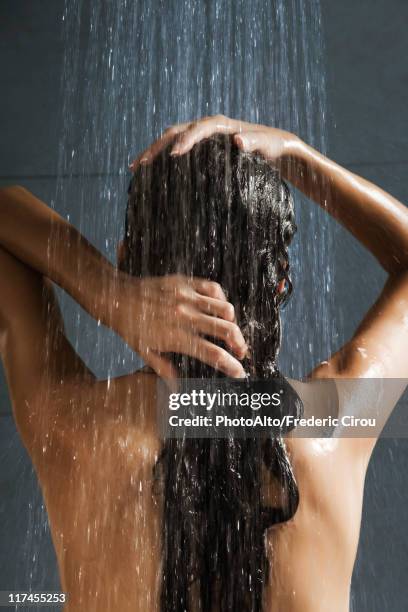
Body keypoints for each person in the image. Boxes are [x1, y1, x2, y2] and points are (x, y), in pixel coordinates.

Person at [0, 114, 407, 612]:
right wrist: (300, 157)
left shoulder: (76, 425)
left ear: (130, 259)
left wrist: (106, 292)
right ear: (280, 282)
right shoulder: (331, 425)